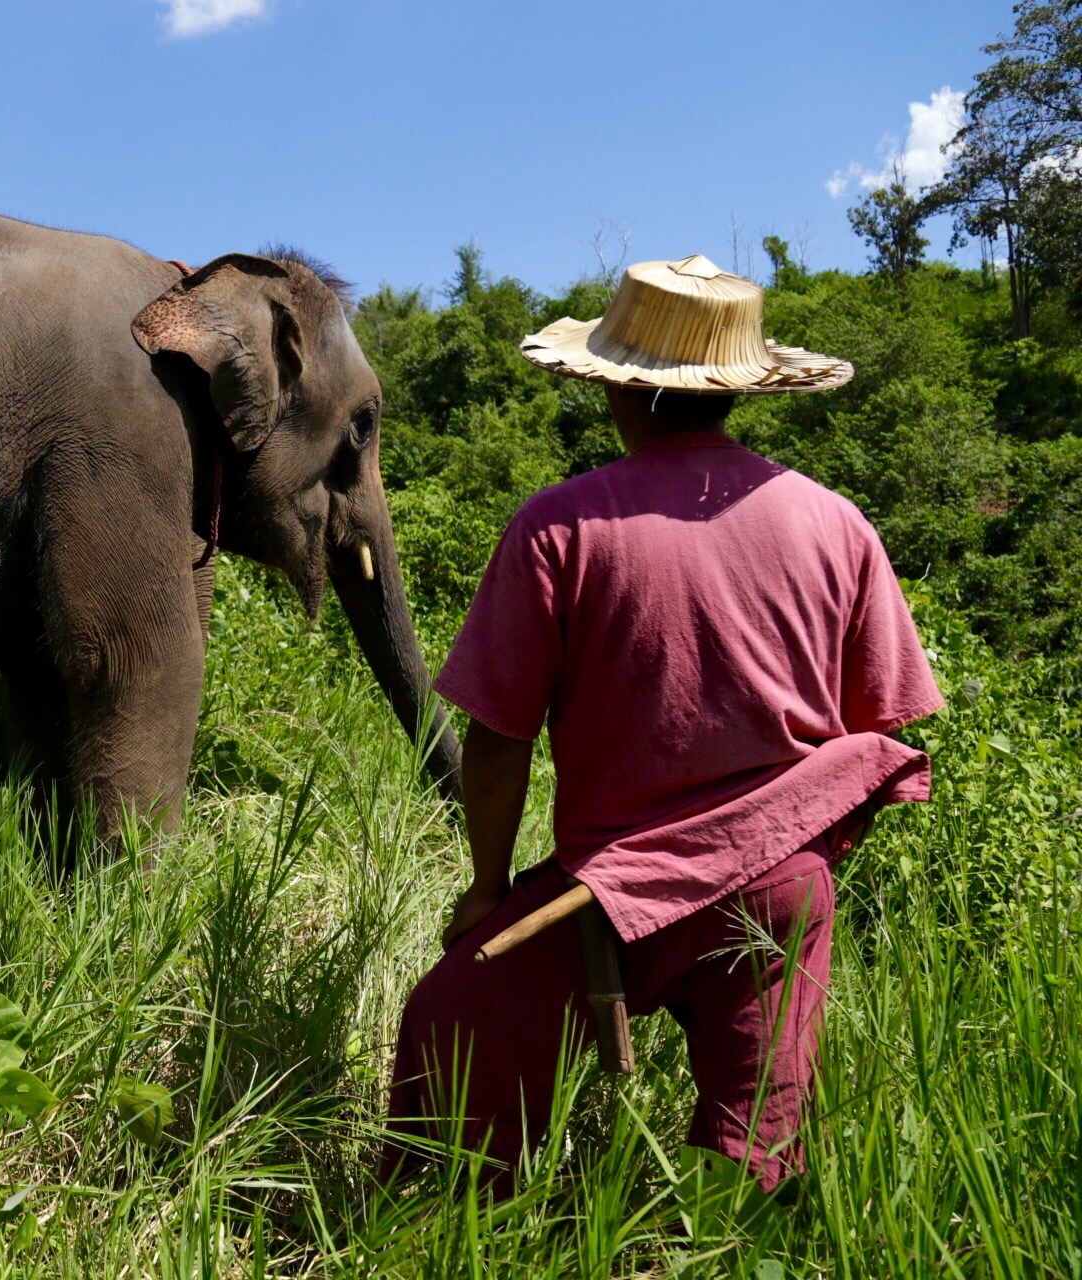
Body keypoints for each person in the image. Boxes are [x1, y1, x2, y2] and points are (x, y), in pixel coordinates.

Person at [380, 255, 944, 1195]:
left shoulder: (561, 525)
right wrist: (788, 855)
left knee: (452, 1021)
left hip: (604, 895)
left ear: (621, 387)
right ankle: (725, 1251)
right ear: (737, 392)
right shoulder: (837, 523)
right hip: (780, 883)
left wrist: (486, 888)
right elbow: (875, 729)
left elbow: (498, 735)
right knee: (750, 1137)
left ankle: (442, 1235)